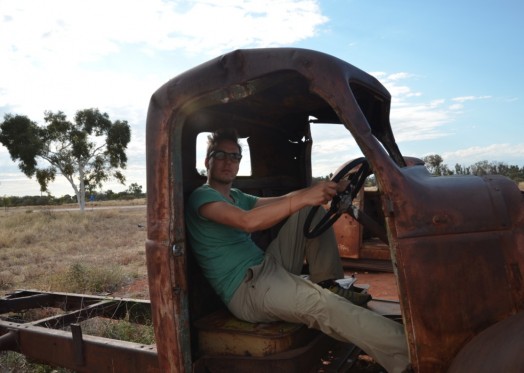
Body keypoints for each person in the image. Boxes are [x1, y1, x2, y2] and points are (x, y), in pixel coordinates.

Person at [185, 129, 410, 373]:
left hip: (266, 267)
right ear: (208, 161)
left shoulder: (236, 196)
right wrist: (302, 198)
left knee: (308, 213)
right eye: (220, 155)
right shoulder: (202, 197)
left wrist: (327, 189)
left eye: (234, 156)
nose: (228, 161)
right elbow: (247, 222)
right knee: (326, 306)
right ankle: (416, 354)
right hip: (247, 289)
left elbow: (285, 199)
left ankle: (327, 282)